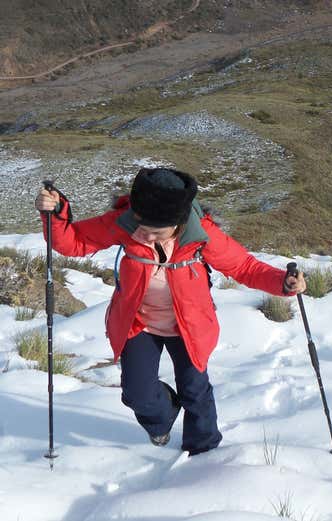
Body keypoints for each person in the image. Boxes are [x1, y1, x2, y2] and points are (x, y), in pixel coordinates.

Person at [35, 167, 306, 456]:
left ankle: (204, 452)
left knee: (195, 391)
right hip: (139, 322)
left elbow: (244, 267)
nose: (146, 235)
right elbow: (74, 242)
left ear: (178, 223)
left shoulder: (202, 235)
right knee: (136, 393)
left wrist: (283, 283)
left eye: (156, 231)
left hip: (188, 325)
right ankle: (162, 418)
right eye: (142, 226)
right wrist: (56, 213)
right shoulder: (124, 222)